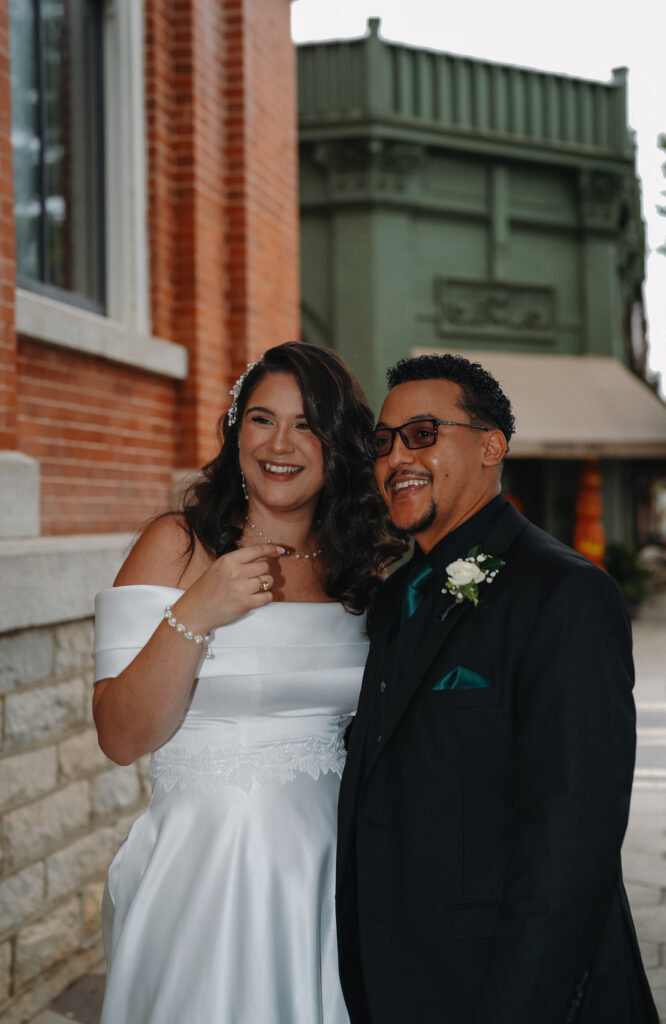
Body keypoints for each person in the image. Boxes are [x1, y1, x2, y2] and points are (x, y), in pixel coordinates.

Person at [336, 353, 659, 1024]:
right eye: (382, 441)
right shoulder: (395, 598)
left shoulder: (564, 593)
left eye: (422, 433)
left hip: (515, 992)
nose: (397, 456)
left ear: (490, 446)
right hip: (399, 984)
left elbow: (573, 842)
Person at [92, 342, 405, 1024]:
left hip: (331, 870)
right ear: (236, 435)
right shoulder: (176, 545)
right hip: (208, 867)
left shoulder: (359, 572)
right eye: (261, 419)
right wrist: (198, 610)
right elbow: (120, 735)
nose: (280, 443)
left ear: (337, 445)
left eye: (306, 424)